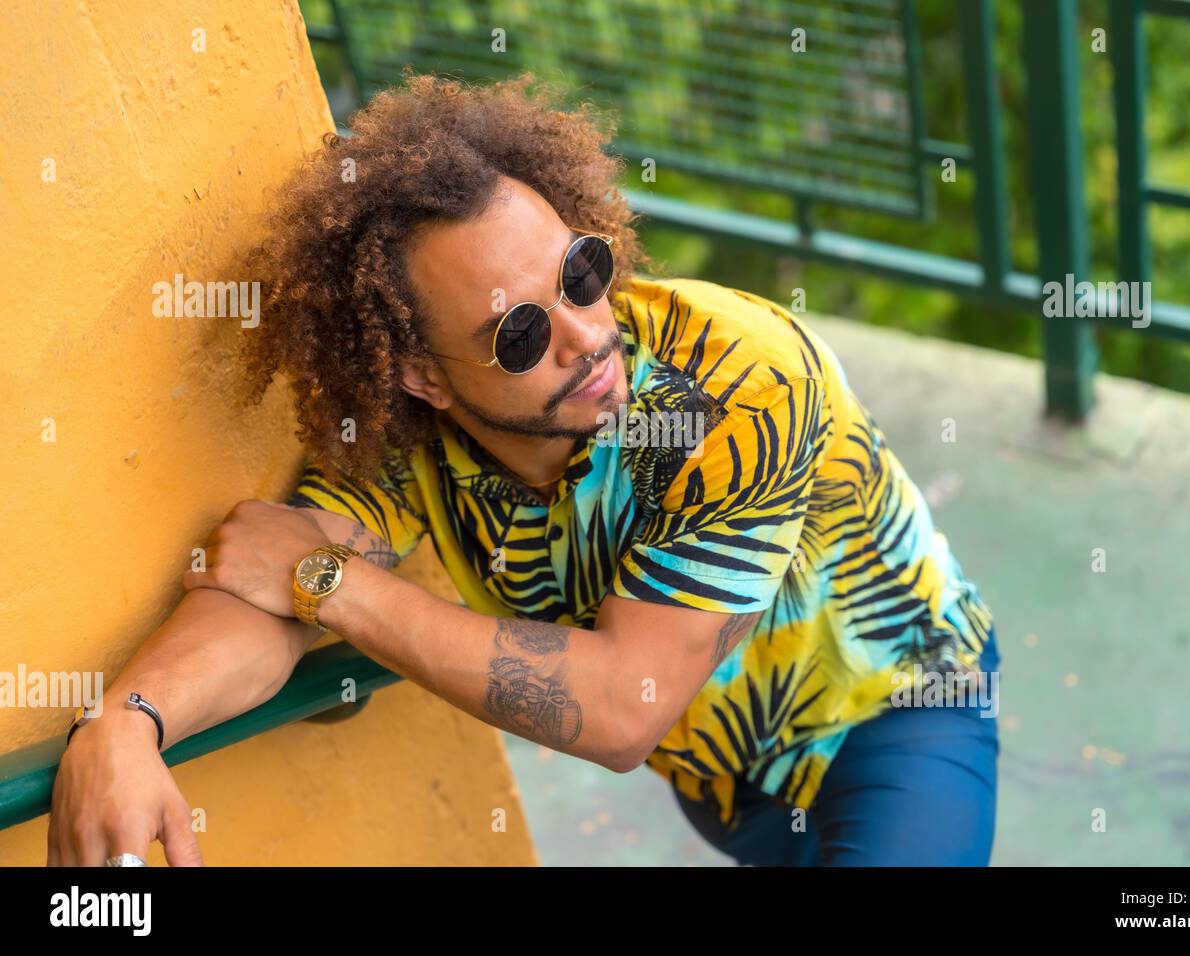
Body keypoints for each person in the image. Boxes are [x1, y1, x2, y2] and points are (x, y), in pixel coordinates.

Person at [49, 72, 998, 867]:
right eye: (520, 332)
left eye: (580, 273)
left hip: (894, 705)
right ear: (422, 375)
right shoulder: (405, 441)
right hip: (722, 777)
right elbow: (260, 582)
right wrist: (126, 724)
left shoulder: (738, 383)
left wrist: (326, 585)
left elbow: (623, 708)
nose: (589, 336)